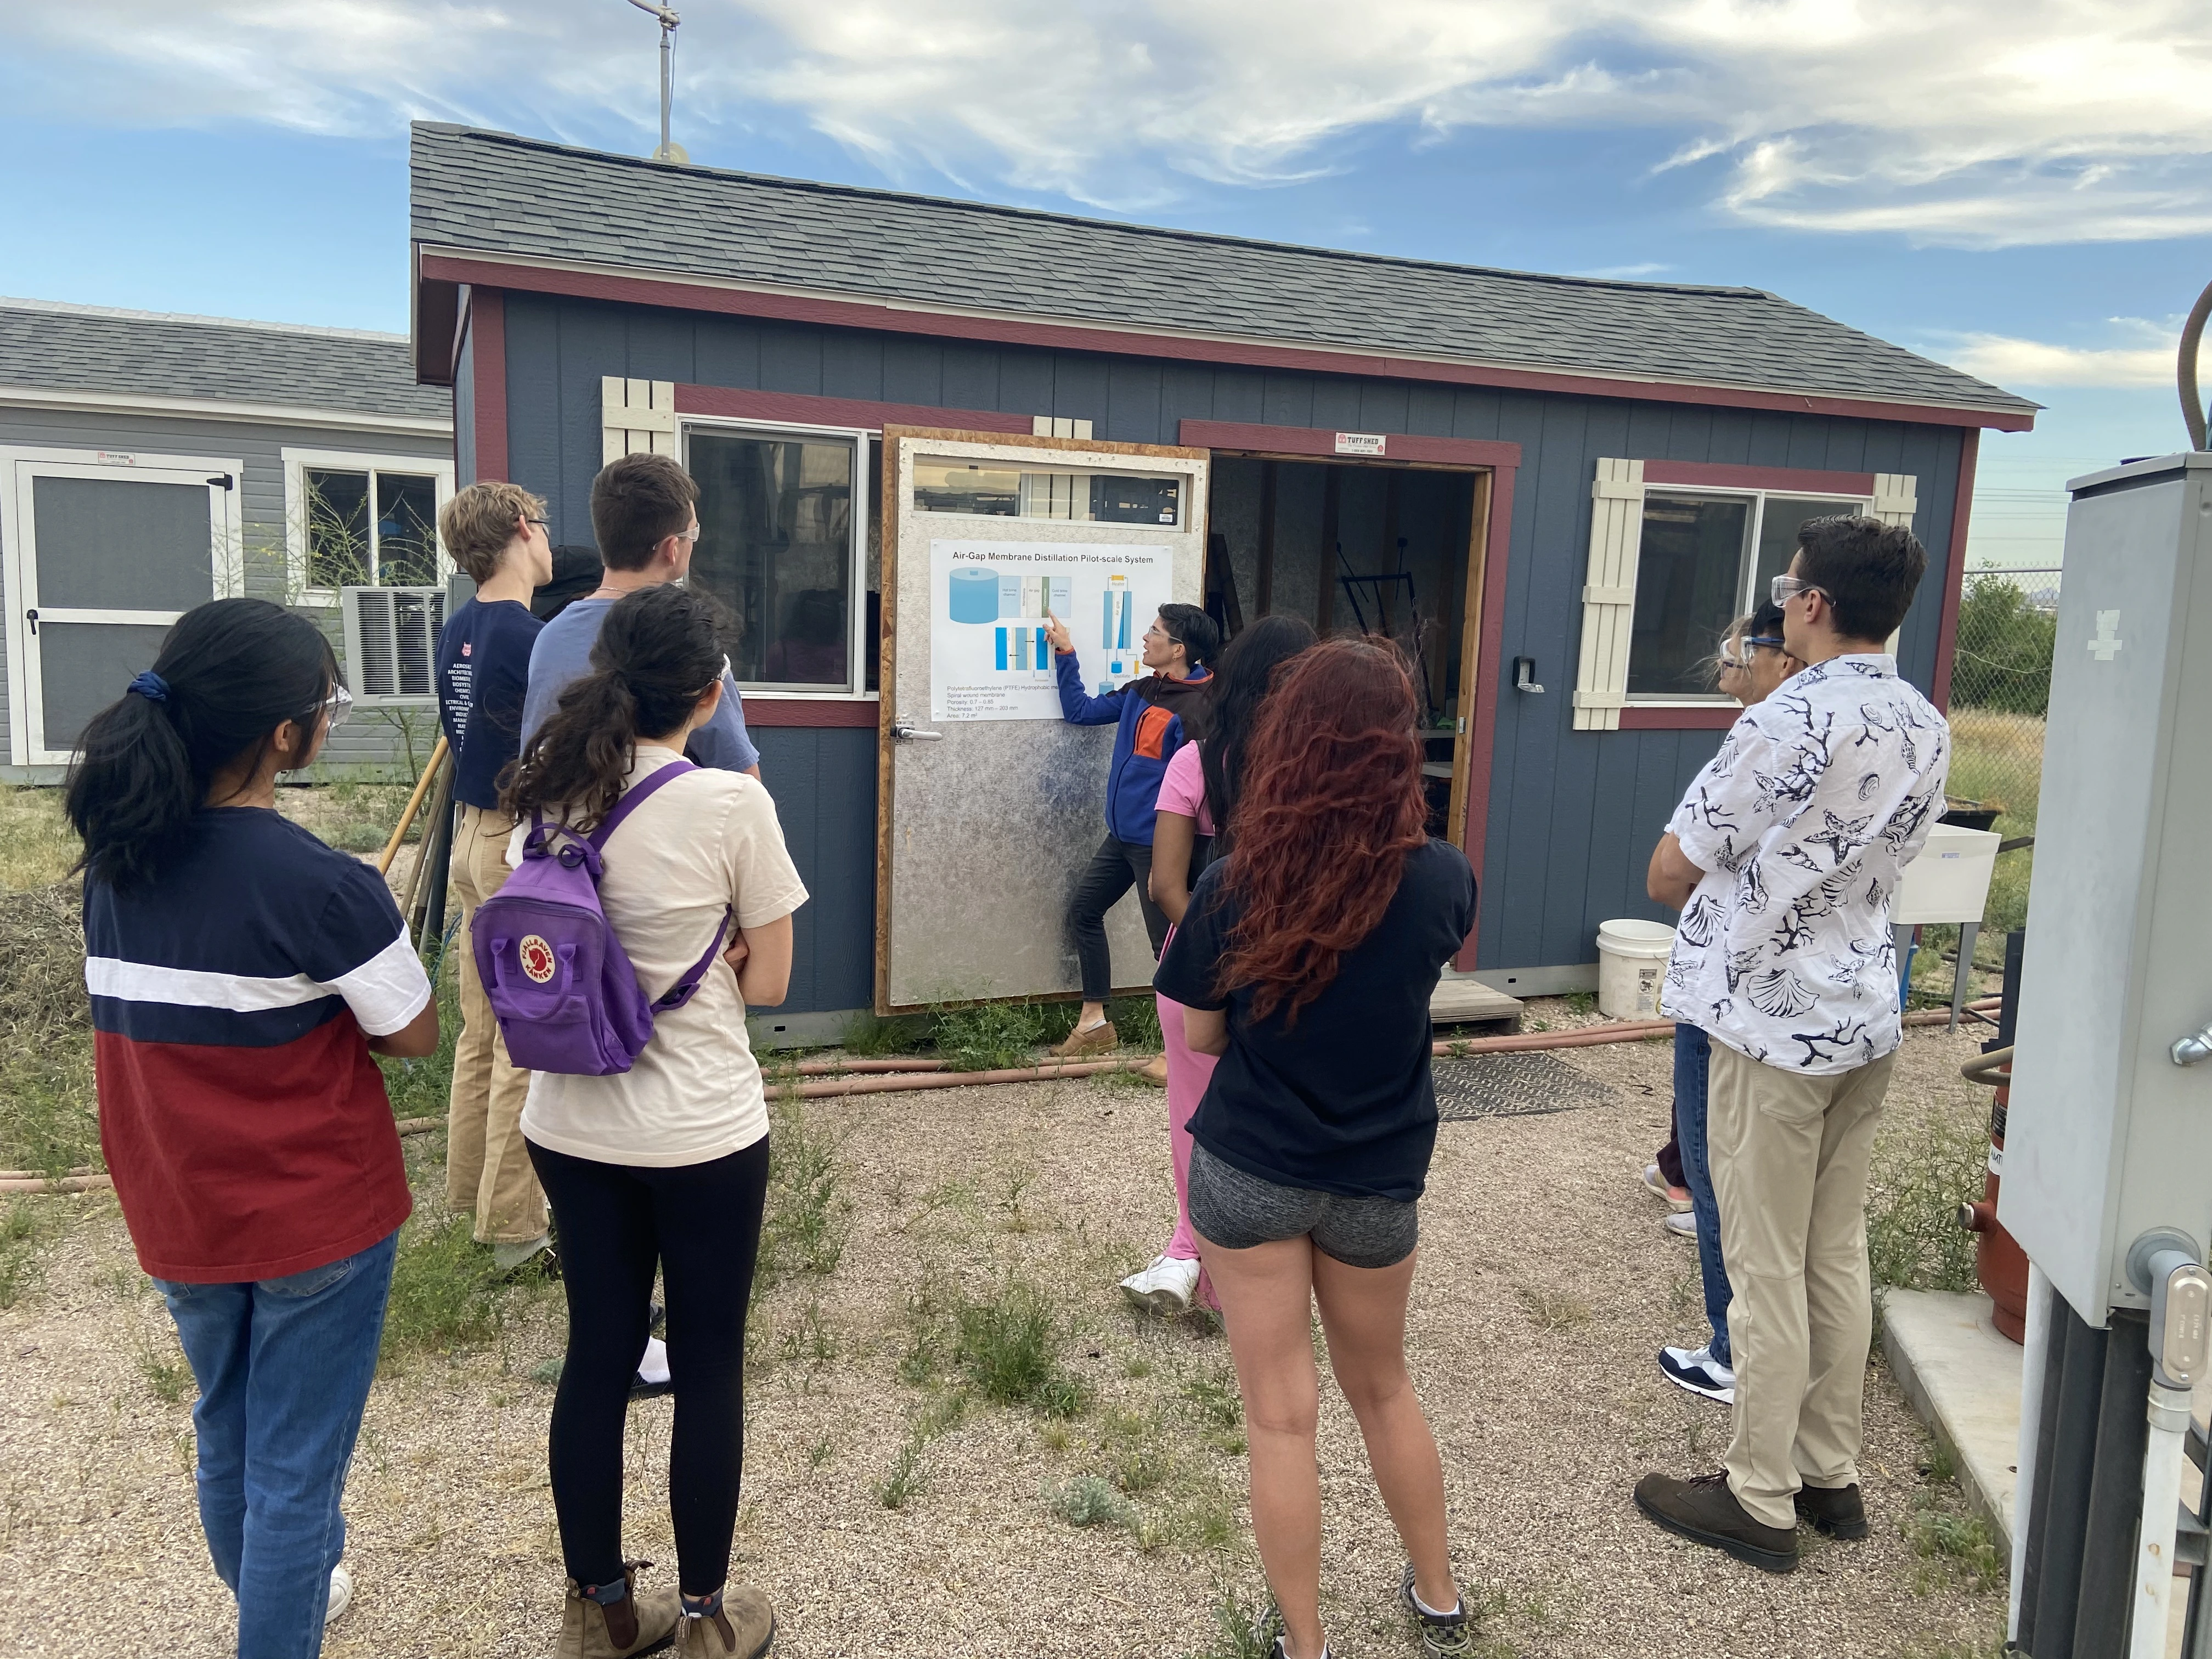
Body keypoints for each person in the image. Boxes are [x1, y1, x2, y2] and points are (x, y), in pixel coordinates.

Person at [67, 598, 440, 1656]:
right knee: (297, 1469)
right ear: (287, 733)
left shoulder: (117, 862)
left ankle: (283, 1602)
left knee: (226, 1422)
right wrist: (367, 919)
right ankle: (279, 1624)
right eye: (326, 704)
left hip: (179, 1201)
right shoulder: (321, 883)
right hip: (316, 1213)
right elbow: (413, 1034)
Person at [1634, 517, 1949, 1574]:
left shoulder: (1789, 714)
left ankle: (1758, 1492)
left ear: (1808, 602)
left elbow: (1673, 864)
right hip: (1862, 1003)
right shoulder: (1923, 720)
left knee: (1761, 1257)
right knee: (1832, 1247)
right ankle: (1829, 1470)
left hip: (1769, 1021)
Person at [1155, 637, 1479, 1659]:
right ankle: (1437, 1593)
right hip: (1378, 1173)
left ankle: (1305, 1641)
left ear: (1290, 740)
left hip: (1250, 1166)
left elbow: (1199, 1033)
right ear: (1397, 750)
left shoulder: (1235, 879)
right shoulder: (1443, 881)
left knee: (1280, 1416)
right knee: (1382, 1385)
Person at [505, 583, 809, 1658]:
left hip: (569, 1121)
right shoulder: (733, 806)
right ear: (711, 693)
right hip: (701, 1131)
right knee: (710, 1358)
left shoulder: (549, 799)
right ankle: (704, 1619)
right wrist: (722, 946)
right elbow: (771, 981)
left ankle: (599, 1608)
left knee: (597, 1350)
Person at [1120, 614, 1314, 1318]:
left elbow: (1166, 886)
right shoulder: (1320, 773)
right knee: (1277, 1121)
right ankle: (1265, 1266)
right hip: (1295, 973)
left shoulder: (1196, 762)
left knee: (1193, 1121)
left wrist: (1220, 949)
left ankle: (1198, 1264)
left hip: (1197, 972)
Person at [1655, 602, 1805, 1409]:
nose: (1727, 655)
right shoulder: (1906, 721)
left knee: (1719, 1174)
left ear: (1784, 656)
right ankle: (1783, 1356)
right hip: (1831, 1008)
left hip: (1733, 991)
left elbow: (1669, 873)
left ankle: (1732, 1351)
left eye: (1741, 643)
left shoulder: (1764, 735)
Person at [434, 482, 554, 1270]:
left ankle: (464, 1196)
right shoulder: (529, 637)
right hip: (511, 842)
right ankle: (514, 1231)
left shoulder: (458, 632)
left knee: (483, 1031)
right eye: (542, 527)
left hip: (469, 836)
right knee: (524, 1041)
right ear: (520, 529)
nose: (549, 542)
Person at [1043, 599, 1219, 1057]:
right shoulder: (1144, 689)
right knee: (1084, 911)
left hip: (1160, 845)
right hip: (1121, 837)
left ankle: (1178, 1047)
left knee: (1170, 944)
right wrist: (1066, 653)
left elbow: (1202, 785)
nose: (1145, 637)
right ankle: (1095, 1023)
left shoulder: (1203, 707)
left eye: (1155, 631)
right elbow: (1081, 711)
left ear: (1179, 648)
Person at [522, 452, 761, 781]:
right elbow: (741, 777)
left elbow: (535, 758)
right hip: (667, 826)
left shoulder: (549, 637)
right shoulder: (688, 638)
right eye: (693, 534)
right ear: (672, 548)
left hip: (572, 827)